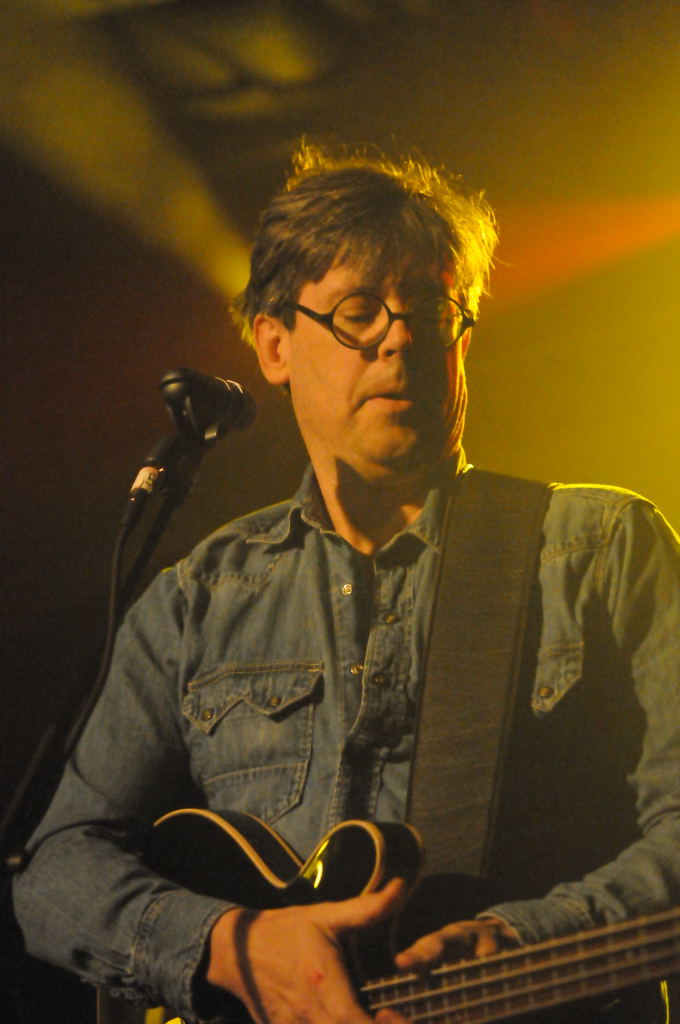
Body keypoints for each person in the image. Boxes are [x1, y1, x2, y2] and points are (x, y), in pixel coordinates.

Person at [13, 142, 680, 1024]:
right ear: (275, 345)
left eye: (431, 310)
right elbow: (55, 866)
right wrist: (233, 948)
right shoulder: (199, 597)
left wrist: (527, 936)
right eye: (360, 311)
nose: (401, 336)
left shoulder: (600, 548)